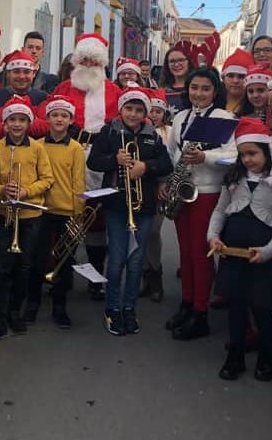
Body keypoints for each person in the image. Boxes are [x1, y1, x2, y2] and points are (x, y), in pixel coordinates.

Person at [208, 117, 272, 382]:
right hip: (233, 254)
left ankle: (266, 357)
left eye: (253, 153)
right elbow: (220, 211)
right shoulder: (233, 179)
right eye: (243, 154)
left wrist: (268, 251)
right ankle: (234, 356)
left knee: (261, 308)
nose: (248, 159)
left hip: (263, 257)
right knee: (236, 307)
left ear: (268, 152)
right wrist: (213, 236)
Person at [87, 86, 172, 336]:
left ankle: (129, 308)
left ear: (146, 113)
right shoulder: (109, 132)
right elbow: (94, 162)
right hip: (115, 205)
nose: (133, 114)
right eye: (129, 109)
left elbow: (166, 164)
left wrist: (145, 166)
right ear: (121, 109)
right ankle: (112, 308)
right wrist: (115, 160)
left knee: (136, 261)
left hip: (143, 206)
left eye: (139, 110)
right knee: (116, 260)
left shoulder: (152, 136)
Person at [162, 68, 237, 340]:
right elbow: (172, 152)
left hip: (208, 192)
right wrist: (171, 180)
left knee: (200, 254)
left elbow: (233, 158)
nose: (199, 93)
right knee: (185, 253)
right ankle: (186, 304)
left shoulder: (223, 118)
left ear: (215, 91)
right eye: (194, 87)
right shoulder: (181, 117)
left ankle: (200, 312)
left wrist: (205, 158)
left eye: (205, 88)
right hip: (184, 190)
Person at [51, 33, 121, 298]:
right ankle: (62, 274)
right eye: (85, 60)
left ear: (102, 64)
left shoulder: (114, 92)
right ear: (77, 61)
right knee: (64, 215)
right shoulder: (63, 89)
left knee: (96, 220)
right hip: (66, 160)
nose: (89, 65)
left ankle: (95, 278)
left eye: (95, 61)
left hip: (100, 163)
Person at [0, 95, 55, 343]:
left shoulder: (37, 148)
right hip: (4, 214)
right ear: (5, 124)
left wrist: (26, 192)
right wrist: (0, 190)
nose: (16, 124)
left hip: (30, 214)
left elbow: (47, 179)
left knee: (24, 267)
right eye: (12, 120)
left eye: (22, 120)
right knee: (2, 268)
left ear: (28, 123)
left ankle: (16, 312)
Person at [25, 95, 85, 329]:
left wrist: (78, 215)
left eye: (64, 115)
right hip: (40, 210)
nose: (59, 119)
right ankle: (32, 303)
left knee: (64, 261)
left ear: (70, 120)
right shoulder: (36, 145)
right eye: (55, 115)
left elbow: (79, 183)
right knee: (37, 258)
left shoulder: (76, 149)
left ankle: (60, 307)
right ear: (47, 118)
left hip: (67, 211)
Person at [139, 88, 170, 303]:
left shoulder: (169, 131)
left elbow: (170, 160)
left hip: (159, 187)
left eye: (158, 111)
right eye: (151, 111)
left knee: (152, 232)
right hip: (140, 186)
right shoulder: (138, 130)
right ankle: (144, 275)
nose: (155, 115)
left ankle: (155, 273)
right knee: (138, 233)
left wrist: (164, 182)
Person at [0, 50, 49, 140]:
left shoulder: (43, 98)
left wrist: (18, 125)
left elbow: (50, 126)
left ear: (33, 74)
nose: (22, 76)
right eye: (16, 72)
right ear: (7, 74)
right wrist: (4, 127)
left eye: (26, 72)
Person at [159, 47, 192, 113]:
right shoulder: (162, 91)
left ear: (189, 62)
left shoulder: (197, 90)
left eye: (181, 60)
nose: (176, 64)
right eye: (172, 61)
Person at [221, 49, 254, 115]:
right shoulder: (212, 101)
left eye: (241, 76)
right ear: (223, 78)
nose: (235, 81)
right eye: (230, 76)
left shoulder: (255, 105)